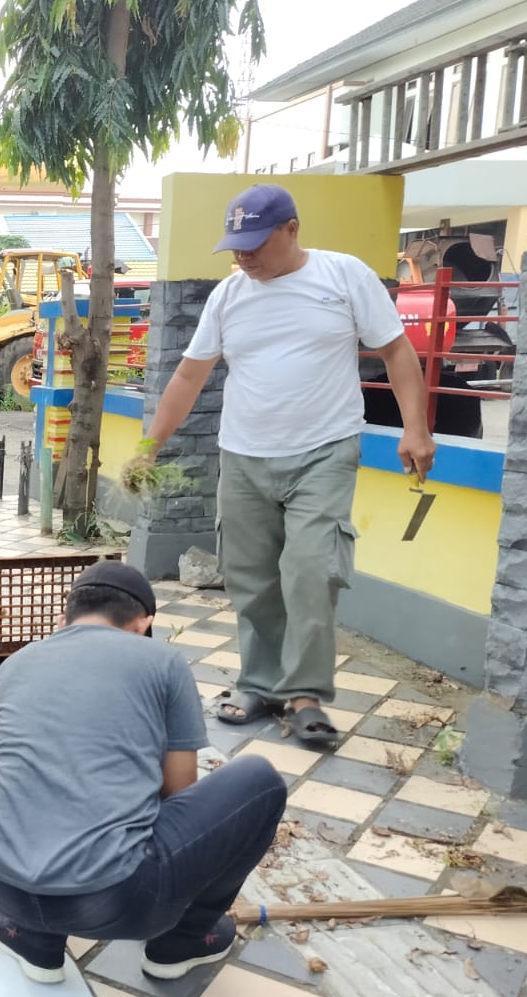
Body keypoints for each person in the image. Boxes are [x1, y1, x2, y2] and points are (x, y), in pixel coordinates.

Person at [129, 184, 437, 749]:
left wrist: (416, 428)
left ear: (291, 229)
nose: (243, 256)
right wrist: (151, 444)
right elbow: (189, 375)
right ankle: (259, 685)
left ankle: (305, 696)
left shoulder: (343, 277)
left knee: (311, 571)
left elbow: (395, 350)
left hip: (324, 450)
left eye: (255, 243)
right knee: (251, 578)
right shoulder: (229, 295)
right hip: (244, 453)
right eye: (236, 246)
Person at [0, 561, 286, 984]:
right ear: (143, 623)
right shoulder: (163, 660)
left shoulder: (17, 663)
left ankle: (30, 936)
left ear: (64, 619)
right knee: (259, 780)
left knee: (12, 762)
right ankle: (182, 941)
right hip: (114, 902)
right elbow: (179, 792)